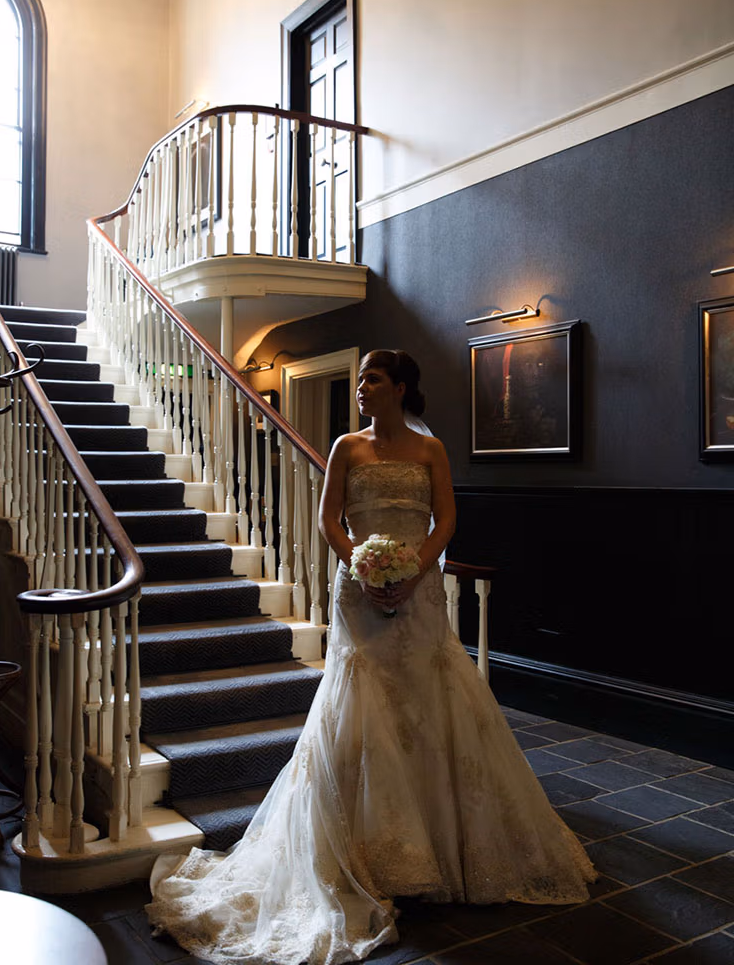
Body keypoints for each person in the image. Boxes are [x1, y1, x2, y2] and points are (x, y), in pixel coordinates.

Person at [146, 349, 597, 965]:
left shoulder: (429, 449)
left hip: (419, 592)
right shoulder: (346, 448)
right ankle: (366, 848)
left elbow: (446, 518)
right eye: (359, 380)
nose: (362, 388)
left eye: (373, 380)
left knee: (428, 698)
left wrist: (416, 574)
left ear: (402, 387)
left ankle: (441, 846)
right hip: (359, 588)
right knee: (362, 702)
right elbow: (330, 518)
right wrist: (359, 562)